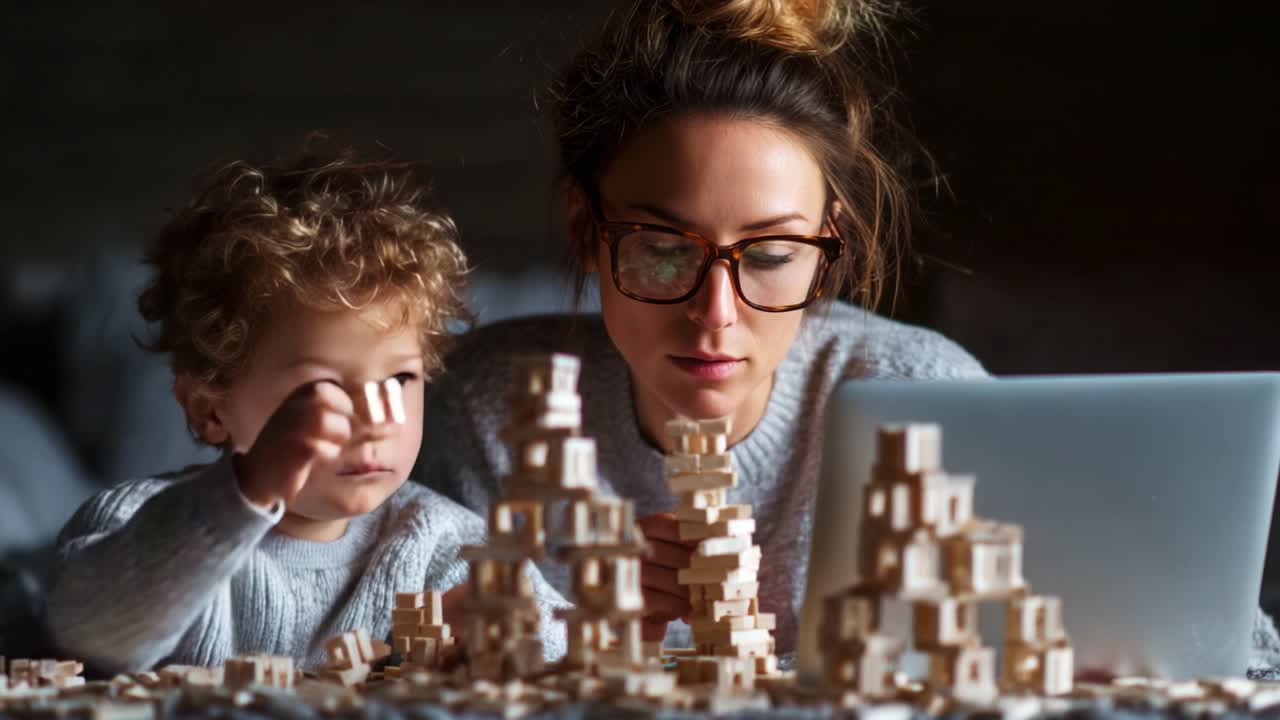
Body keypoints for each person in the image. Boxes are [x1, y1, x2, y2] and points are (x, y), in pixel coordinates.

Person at [413, 0, 988, 657]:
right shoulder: (482, 415)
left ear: (829, 240)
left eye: (771, 255)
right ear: (585, 230)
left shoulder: (929, 400)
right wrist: (587, 635)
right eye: (663, 250)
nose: (715, 313)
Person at [43, 144, 567, 673]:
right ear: (210, 409)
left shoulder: (441, 543)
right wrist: (245, 491)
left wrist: (511, 635)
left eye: (400, 378)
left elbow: (568, 651)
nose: (372, 420)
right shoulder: (132, 520)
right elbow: (89, 635)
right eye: (320, 389)